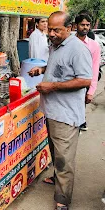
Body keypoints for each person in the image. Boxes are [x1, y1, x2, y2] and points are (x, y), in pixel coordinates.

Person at [29, 11, 92, 210]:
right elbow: (59, 68)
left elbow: (84, 80)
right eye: (50, 29)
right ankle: (57, 179)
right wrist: (42, 70)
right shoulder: (56, 46)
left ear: (70, 28)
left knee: (64, 158)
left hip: (65, 115)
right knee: (56, 152)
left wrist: (52, 86)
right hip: (52, 111)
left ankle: (62, 200)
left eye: (57, 30)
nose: (52, 33)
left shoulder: (78, 49)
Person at [75, 14, 101, 131]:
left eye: (87, 25)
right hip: (67, 82)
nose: (85, 27)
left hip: (84, 84)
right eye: (82, 25)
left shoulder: (94, 45)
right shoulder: (69, 42)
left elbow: (95, 68)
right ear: (76, 26)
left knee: (80, 111)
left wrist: (91, 91)